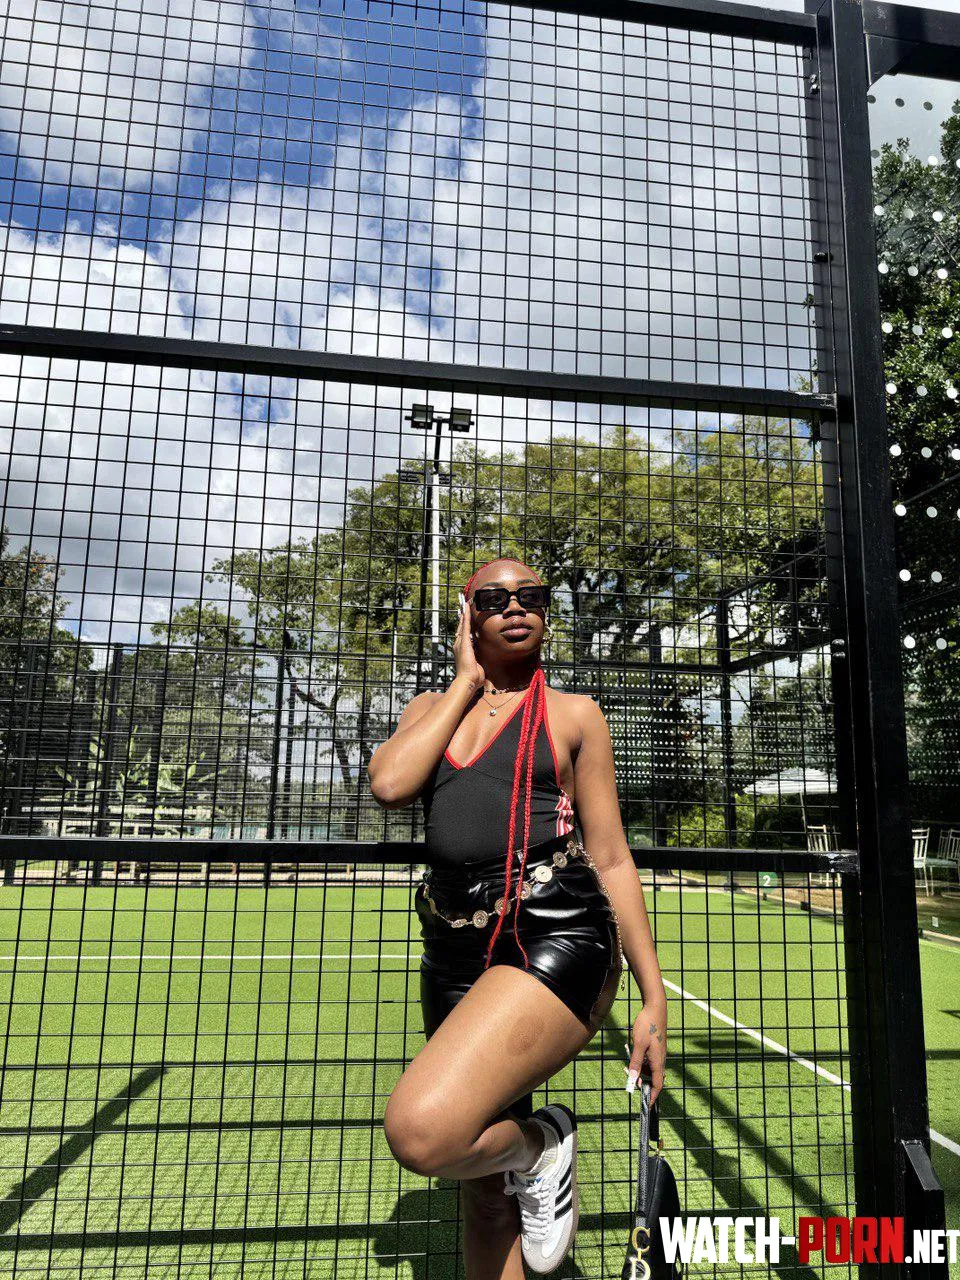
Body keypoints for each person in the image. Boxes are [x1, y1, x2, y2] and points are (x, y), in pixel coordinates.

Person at [368, 556, 668, 1279]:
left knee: (423, 1131)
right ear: (467, 617)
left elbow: (612, 856)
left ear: (546, 614)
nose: (514, 607)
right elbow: (390, 784)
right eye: (493, 598)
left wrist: (652, 994)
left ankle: (540, 1143)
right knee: (483, 1191)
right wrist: (464, 682)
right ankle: (527, 1156)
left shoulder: (574, 714)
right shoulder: (430, 709)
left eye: (529, 596)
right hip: (453, 948)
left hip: (554, 932)